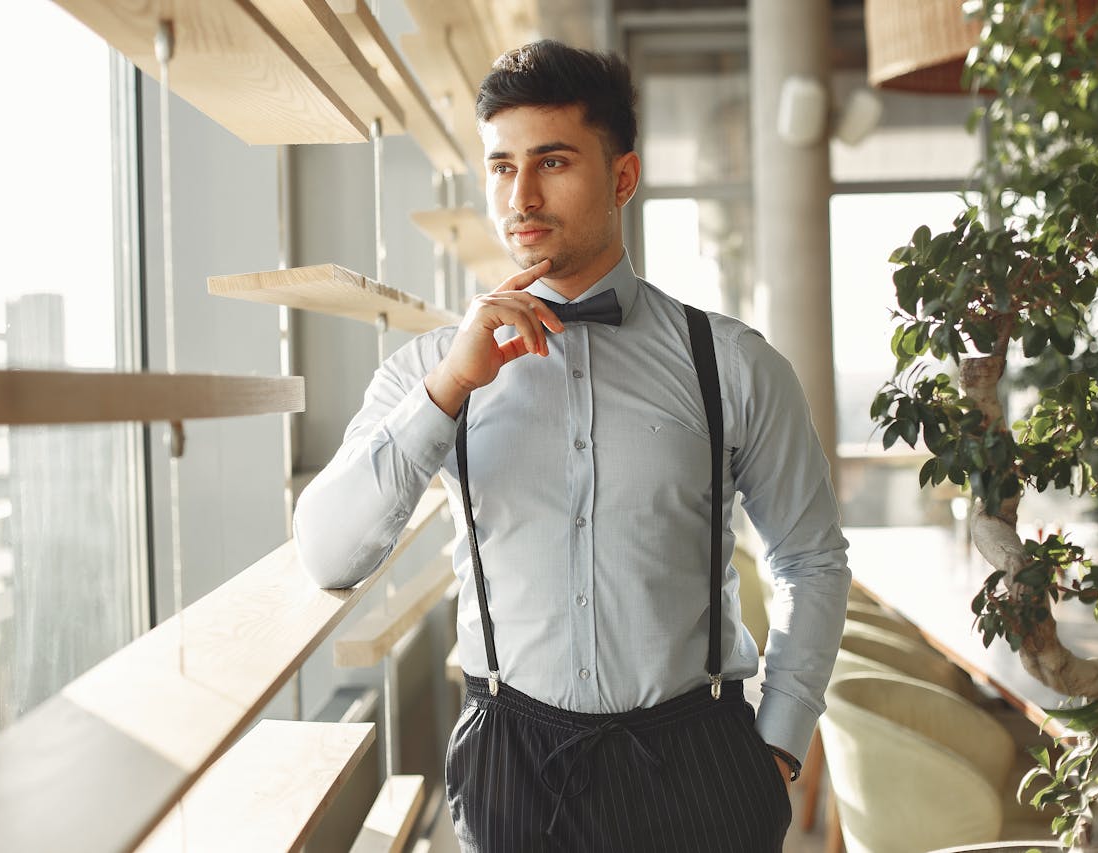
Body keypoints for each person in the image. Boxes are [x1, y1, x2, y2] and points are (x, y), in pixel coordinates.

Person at [295, 39, 850, 853]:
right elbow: (326, 552)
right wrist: (449, 390)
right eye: (500, 166)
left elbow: (811, 558)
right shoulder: (428, 369)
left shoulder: (734, 363)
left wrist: (776, 742)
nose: (521, 195)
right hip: (513, 766)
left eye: (551, 161)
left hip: (701, 761)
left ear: (622, 177)